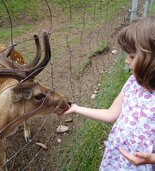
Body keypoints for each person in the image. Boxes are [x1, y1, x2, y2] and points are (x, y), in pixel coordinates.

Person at [63, 16, 155, 170]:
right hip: (116, 157)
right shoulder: (132, 83)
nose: (126, 61)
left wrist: (152, 159)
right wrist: (77, 108)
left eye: (132, 56)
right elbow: (111, 113)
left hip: (142, 164)